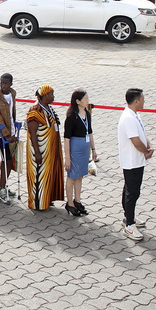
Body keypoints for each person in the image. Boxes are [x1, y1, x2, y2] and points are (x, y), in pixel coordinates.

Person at [118, 88, 152, 241]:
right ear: (136, 101)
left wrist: (148, 145)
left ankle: (128, 217)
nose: (144, 101)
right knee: (132, 193)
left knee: (130, 191)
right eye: (142, 99)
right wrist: (146, 151)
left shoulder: (135, 115)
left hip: (137, 161)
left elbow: (142, 135)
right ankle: (129, 225)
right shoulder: (128, 118)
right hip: (132, 161)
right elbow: (136, 141)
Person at [26, 85, 64, 211]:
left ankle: (46, 199)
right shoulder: (35, 111)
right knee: (39, 176)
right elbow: (32, 132)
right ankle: (38, 203)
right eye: (51, 94)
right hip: (40, 150)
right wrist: (37, 152)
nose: (53, 96)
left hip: (50, 150)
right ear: (44, 96)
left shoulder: (48, 108)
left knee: (48, 175)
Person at [63, 89, 97, 217]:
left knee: (80, 176)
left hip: (85, 149)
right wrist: (67, 157)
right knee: (72, 177)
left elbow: (90, 132)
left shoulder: (87, 114)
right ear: (78, 101)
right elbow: (66, 138)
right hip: (75, 149)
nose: (87, 101)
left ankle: (78, 201)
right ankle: (70, 203)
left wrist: (93, 149)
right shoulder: (72, 116)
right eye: (85, 99)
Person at [0, 73, 19, 196]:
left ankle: (3, 184)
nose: (3, 85)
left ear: (11, 84)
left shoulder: (12, 94)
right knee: (6, 161)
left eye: (5, 83)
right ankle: (1, 187)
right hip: (2, 135)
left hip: (11, 132)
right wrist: (6, 134)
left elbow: (12, 113)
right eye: (1, 82)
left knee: (9, 161)